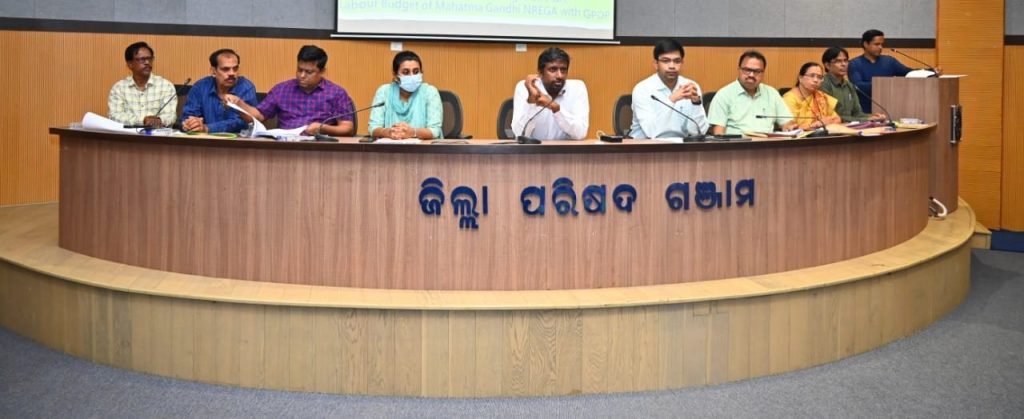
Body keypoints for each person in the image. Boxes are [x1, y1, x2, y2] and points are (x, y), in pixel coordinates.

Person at [226, 45, 354, 136]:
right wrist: (239, 103)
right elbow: (258, 116)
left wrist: (323, 128)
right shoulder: (282, 89)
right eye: (299, 70)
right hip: (286, 146)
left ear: (322, 72)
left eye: (309, 72)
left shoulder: (336, 93)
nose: (302, 75)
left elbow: (347, 128)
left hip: (319, 147)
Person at [629, 39, 707, 138]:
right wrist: (672, 99)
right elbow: (651, 132)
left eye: (677, 61)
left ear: (682, 63)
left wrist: (696, 103)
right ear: (656, 64)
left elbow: (700, 131)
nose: (672, 66)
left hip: (680, 144)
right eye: (666, 61)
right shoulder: (642, 89)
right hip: (645, 144)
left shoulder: (690, 87)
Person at [848, 29, 940, 113]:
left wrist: (931, 71)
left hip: (889, 107)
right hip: (864, 109)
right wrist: (886, 84)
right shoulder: (855, 64)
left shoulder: (889, 61)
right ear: (865, 44)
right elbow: (858, 86)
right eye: (876, 44)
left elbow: (908, 73)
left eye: (882, 44)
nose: (880, 47)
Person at [708, 51, 797, 135]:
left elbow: (787, 122)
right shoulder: (724, 95)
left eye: (757, 71)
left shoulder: (771, 93)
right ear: (739, 69)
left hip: (767, 143)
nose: (751, 75)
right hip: (738, 144)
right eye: (747, 70)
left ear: (763, 73)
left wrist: (789, 126)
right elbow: (718, 133)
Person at [511, 47, 589, 140]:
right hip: (535, 148)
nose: (559, 75)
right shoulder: (526, 87)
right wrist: (531, 103)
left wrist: (555, 108)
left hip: (566, 149)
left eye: (563, 70)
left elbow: (580, 133)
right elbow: (519, 134)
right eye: (553, 69)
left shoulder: (577, 88)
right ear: (540, 72)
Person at [369, 51, 443, 140]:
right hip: (390, 146)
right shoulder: (384, 92)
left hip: (424, 147)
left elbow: (435, 131)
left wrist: (413, 132)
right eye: (406, 72)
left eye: (416, 72)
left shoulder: (430, 92)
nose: (412, 76)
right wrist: (389, 132)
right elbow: (373, 128)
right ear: (395, 75)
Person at [180, 49, 257, 133]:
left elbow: (243, 122)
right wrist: (190, 124)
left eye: (235, 68)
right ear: (213, 71)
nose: (232, 73)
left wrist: (207, 128)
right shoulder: (200, 87)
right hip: (203, 139)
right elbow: (188, 115)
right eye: (226, 69)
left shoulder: (246, 87)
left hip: (237, 139)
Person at [107, 41, 177, 128]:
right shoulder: (119, 88)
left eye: (150, 59)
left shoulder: (165, 86)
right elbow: (114, 116)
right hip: (128, 135)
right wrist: (143, 120)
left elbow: (171, 116)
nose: (147, 62)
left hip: (157, 134)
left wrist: (159, 120)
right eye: (142, 59)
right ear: (130, 64)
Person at [819, 46, 886, 122]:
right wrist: (867, 119)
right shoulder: (823, 84)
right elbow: (832, 116)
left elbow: (857, 113)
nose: (843, 64)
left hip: (850, 125)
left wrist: (873, 117)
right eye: (838, 61)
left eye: (845, 60)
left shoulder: (849, 85)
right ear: (827, 65)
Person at [781, 62, 842, 130]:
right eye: (812, 76)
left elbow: (837, 119)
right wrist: (817, 125)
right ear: (800, 78)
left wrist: (823, 124)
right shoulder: (790, 98)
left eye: (819, 77)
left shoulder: (820, 96)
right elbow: (790, 127)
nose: (816, 80)